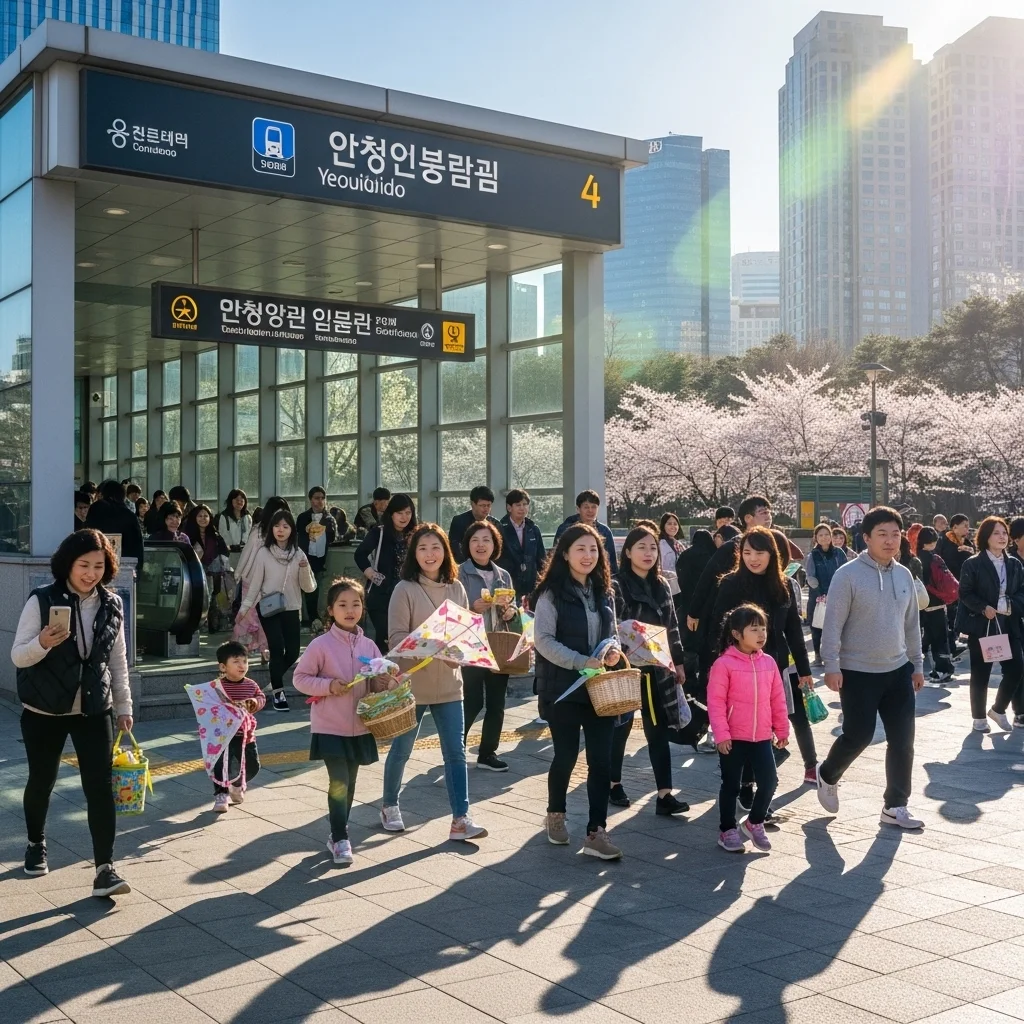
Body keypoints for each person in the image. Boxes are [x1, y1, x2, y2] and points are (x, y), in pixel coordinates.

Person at [11, 529, 133, 896]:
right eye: (84, 565)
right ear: (67, 564)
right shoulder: (42, 600)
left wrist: (124, 706)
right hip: (44, 709)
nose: (91, 573)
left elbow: (117, 659)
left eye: (99, 566)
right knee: (42, 780)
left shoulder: (112, 603)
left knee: (100, 787)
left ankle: (105, 869)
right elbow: (18, 655)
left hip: (94, 708)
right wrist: (42, 643)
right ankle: (35, 843)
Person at [816, 506, 926, 830]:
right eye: (882, 534)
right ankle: (827, 774)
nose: (890, 541)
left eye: (895, 534)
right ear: (866, 538)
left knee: (903, 741)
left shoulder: (904, 575)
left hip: (898, 670)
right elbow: (833, 625)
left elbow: (911, 624)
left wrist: (917, 664)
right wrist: (831, 665)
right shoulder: (847, 575)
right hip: (857, 671)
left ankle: (895, 805)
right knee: (858, 736)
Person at [381, 523, 487, 841]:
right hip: (412, 685)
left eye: (436, 547)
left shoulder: (456, 588)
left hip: (451, 685)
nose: (430, 554)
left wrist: (461, 652)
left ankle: (460, 819)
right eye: (423, 548)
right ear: (414, 554)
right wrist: (433, 643)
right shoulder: (404, 589)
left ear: (445, 552)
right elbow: (396, 638)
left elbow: (463, 636)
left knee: (456, 753)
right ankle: (389, 805)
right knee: (402, 749)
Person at [533, 523, 623, 859]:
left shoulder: (605, 592)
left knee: (601, 761)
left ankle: (596, 832)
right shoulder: (551, 593)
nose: (588, 555)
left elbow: (612, 634)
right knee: (566, 755)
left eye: (593, 549)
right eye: (580, 549)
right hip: (563, 689)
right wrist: (579, 660)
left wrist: (612, 652)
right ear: (565, 554)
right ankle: (556, 813)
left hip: (600, 689)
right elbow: (543, 640)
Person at [293, 578, 394, 866]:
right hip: (329, 726)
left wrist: (384, 682)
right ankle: (340, 837)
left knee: (350, 783)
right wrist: (329, 686)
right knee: (339, 781)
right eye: (342, 604)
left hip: (360, 726)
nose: (350, 610)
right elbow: (300, 679)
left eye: (356, 604)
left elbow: (375, 682)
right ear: (330, 610)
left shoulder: (370, 645)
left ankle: (338, 832)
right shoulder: (320, 645)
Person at [712, 527, 816, 785]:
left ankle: (793, 771)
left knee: (780, 720)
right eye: (747, 552)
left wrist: (804, 671)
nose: (753, 558)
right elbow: (718, 628)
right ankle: (746, 782)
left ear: (772, 554)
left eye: (759, 552)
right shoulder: (731, 584)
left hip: (775, 666)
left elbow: (794, 630)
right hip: (739, 669)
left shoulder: (784, 585)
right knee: (747, 725)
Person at [610, 524, 690, 816]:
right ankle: (613, 783)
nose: (648, 553)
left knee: (657, 730)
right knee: (621, 727)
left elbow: (672, 627)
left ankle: (664, 794)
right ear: (628, 552)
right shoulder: (616, 585)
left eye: (653, 547)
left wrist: (678, 662)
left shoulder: (662, 584)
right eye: (641, 547)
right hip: (626, 667)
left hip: (657, 668)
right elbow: (612, 626)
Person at [708, 604, 789, 852]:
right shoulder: (723, 664)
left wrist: (782, 729)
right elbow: (716, 702)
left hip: (762, 736)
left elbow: (778, 698)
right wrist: (721, 734)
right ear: (736, 633)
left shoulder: (769, 663)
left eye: (763, 628)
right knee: (731, 785)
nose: (761, 634)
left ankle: (754, 822)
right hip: (733, 737)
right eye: (754, 629)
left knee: (769, 782)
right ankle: (727, 830)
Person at [237, 509, 316, 713]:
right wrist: (244, 608)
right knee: (276, 647)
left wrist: (304, 568)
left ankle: (273, 680)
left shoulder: (298, 554)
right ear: (271, 529)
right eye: (277, 526)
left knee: (293, 651)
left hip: (292, 607)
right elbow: (255, 584)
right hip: (269, 608)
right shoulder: (263, 553)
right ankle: (278, 693)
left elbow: (309, 588)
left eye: (285, 526)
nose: (280, 530)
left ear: (292, 530)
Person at [459, 519, 520, 772]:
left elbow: (514, 608)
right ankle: (455, 749)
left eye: (486, 540)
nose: (480, 545)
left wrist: (510, 612)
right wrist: (471, 608)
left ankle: (487, 753)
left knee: (496, 702)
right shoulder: (459, 573)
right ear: (468, 545)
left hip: (499, 645)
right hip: (471, 646)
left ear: (495, 545)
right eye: (475, 540)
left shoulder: (503, 575)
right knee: (471, 701)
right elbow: (451, 610)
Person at [954, 516, 1024, 733]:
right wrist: (983, 607)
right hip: (982, 625)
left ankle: (998, 709)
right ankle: (978, 718)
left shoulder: (1014, 564)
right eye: (996, 533)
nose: (1002, 537)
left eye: (1004, 533)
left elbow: (1022, 591)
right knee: (981, 672)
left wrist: (1010, 605)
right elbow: (965, 593)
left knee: (1016, 668)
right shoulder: (973, 563)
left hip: (1008, 623)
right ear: (985, 537)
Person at [208, 640, 266, 813]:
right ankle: (221, 794)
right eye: (236, 661)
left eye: (245, 661)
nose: (242, 665)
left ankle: (237, 783)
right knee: (221, 765)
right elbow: (208, 705)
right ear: (223, 667)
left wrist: (254, 702)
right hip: (223, 735)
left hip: (245, 734)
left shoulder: (251, 685)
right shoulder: (216, 687)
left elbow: (261, 697)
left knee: (253, 765)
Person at [354, 493, 417, 646]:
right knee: (385, 637)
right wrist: (372, 574)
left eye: (408, 512)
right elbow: (360, 554)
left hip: (408, 594)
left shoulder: (416, 534)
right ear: (391, 513)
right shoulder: (379, 531)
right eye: (399, 513)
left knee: (405, 639)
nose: (404, 517)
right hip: (382, 595)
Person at [917, 526, 958, 683]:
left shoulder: (916, 558)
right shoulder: (935, 558)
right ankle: (944, 668)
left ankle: (937, 669)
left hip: (923, 603)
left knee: (930, 637)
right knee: (941, 639)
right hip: (938, 603)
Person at [805, 524, 847, 667]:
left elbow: (845, 572)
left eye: (827, 534)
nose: (824, 538)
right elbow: (810, 576)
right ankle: (818, 655)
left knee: (837, 626)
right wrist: (820, 594)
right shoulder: (813, 555)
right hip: (818, 596)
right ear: (816, 538)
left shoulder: (839, 553)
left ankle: (836, 654)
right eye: (820, 535)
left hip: (837, 594)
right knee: (817, 626)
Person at [296, 486, 339, 630]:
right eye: (316, 498)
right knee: (298, 589)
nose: (320, 501)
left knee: (314, 589)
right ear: (310, 500)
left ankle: (313, 619)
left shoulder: (329, 519)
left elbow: (333, 538)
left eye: (322, 498)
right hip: (303, 558)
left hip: (320, 560)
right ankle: (299, 619)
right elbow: (298, 537)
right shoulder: (302, 517)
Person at [184, 504, 230, 631]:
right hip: (195, 573)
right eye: (200, 516)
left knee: (214, 599)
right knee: (199, 599)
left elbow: (225, 551)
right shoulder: (187, 535)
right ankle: (200, 624)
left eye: (206, 516)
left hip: (214, 572)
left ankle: (214, 624)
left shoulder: (214, 534)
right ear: (194, 517)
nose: (203, 519)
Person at [498, 488, 546, 603]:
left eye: (525, 504)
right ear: (509, 508)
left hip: (530, 585)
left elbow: (541, 559)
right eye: (518, 505)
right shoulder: (500, 528)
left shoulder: (533, 529)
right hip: (508, 583)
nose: (522, 508)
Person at [84, 480, 145, 568]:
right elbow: (137, 545)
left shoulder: (96, 508)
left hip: (98, 562)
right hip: (125, 565)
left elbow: (87, 535)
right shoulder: (129, 515)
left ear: (102, 494)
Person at [937, 513, 975, 655]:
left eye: (968, 526)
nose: (967, 529)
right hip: (949, 586)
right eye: (964, 526)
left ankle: (962, 640)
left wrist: (970, 551)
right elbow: (946, 563)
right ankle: (951, 646)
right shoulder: (945, 542)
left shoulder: (967, 543)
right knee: (952, 616)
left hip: (965, 584)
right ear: (954, 527)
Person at [555, 489, 618, 574]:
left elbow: (611, 563)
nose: (590, 510)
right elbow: (557, 558)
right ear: (578, 509)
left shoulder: (605, 531)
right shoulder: (565, 529)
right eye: (586, 507)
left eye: (594, 507)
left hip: (598, 577)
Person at [447, 486, 501, 563]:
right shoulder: (459, 521)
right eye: (482, 505)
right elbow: (455, 549)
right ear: (472, 504)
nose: (486, 509)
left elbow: (500, 550)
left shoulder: (496, 524)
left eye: (488, 505)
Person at [659, 513, 685, 583]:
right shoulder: (660, 544)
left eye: (675, 524)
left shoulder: (679, 545)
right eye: (669, 524)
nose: (673, 526)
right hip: (665, 582)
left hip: (679, 583)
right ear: (663, 526)